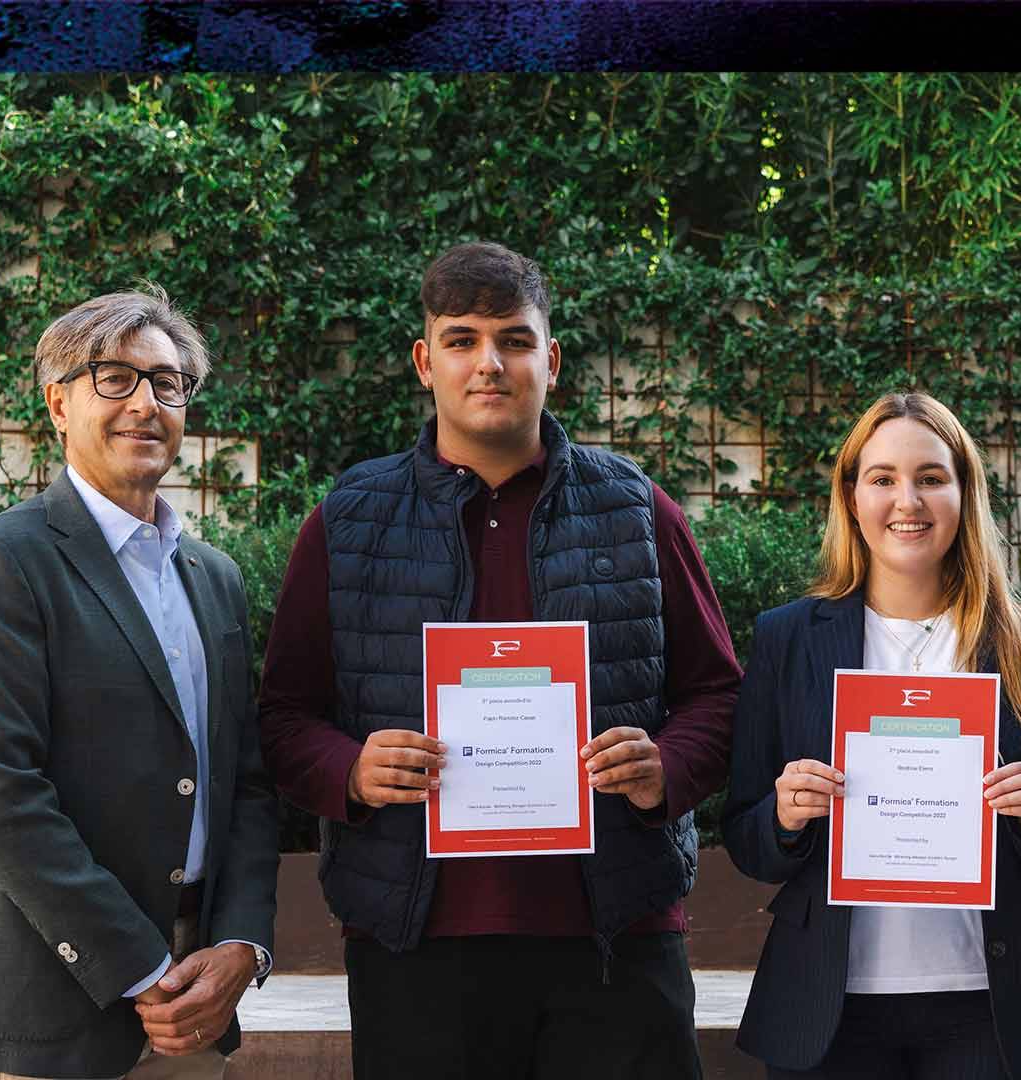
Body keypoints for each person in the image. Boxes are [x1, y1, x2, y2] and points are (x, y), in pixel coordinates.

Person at [257, 241, 742, 1079]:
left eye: (515, 340)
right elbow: (282, 716)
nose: (490, 363)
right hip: (414, 944)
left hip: (616, 936)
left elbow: (722, 696)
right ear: (425, 360)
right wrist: (351, 770)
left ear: (550, 360)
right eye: (463, 339)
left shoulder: (637, 510)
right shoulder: (348, 519)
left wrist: (665, 765)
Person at [0, 287, 279, 1080]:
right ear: (58, 402)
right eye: (114, 378)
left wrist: (239, 947)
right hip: (55, 998)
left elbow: (246, 786)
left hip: (198, 997)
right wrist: (139, 965)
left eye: (167, 382)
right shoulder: (2, 562)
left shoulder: (215, 578)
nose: (146, 404)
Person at [723, 391, 1021, 1080]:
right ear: (852, 495)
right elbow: (747, 839)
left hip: (987, 1002)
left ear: (964, 491)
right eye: (884, 478)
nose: (908, 501)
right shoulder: (788, 639)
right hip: (829, 1006)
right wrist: (782, 815)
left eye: (931, 477)